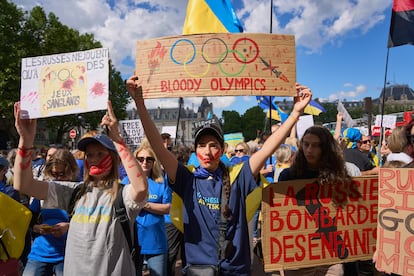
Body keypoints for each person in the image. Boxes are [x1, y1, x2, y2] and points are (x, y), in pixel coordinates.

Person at [127, 74, 312, 275]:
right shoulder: (187, 179)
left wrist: (295, 113)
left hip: (235, 270)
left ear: (223, 150)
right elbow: (158, 148)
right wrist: (139, 103)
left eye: (213, 145)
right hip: (200, 270)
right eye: (202, 145)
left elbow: (267, 149)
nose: (207, 152)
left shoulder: (239, 177)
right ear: (194, 151)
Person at [13, 101, 148, 275]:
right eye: (89, 155)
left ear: (113, 158)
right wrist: (25, 142)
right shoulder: (74, 192)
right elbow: (23, 184)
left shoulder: (122, 195)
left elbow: (141, 188)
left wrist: (118, 140)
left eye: (100, 154)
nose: (94, 159)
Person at [278, 125, 355, 276]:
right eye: (306, 144)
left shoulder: (338, 176)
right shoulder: (288, 176)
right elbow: (281, 214)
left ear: (326, 149)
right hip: (298, 254)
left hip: (331, 255)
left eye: (315, 145)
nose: (309, 150)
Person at [23, 148, 79, 276]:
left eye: (62, 174)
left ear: (71, 171)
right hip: (40, 252)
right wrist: (37, 227)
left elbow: (88, 224)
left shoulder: (79, 191)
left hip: (68, 255)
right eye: (54, 174)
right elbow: (31, 217)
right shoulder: (45, 189)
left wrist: (69, 227)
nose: (58, 178)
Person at [121, 139, 172, 276]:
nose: (145, 162)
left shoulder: (161, 182)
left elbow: (167, 208)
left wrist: (144, 204)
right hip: (133, 242)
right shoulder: (126, 182)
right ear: (135, 160)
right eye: (141, 158)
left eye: (149, 159)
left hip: (156, 241)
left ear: (154, 162)